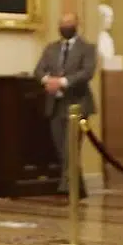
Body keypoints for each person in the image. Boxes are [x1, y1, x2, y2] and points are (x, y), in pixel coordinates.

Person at [34, 11, 96, 198]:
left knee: (71, 148)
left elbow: (86, 73)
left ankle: (67, 188)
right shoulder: (51, 48)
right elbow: (38, 70)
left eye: (69, 23)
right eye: (62, 23)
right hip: (55, 105)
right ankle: (79, 187)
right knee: (61, 148)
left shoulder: (87, 48)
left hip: (77, 105)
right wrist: (47, 80)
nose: (65, 26)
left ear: (77, 24)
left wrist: (62, 82)